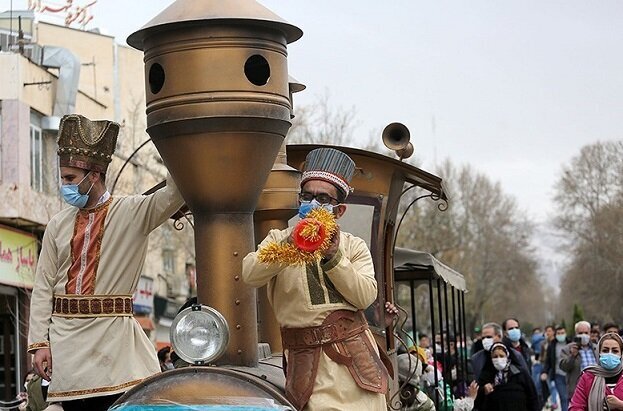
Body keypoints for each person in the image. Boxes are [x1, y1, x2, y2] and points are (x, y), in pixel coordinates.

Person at [27, 114, 184, 411]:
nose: (64, 185)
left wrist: (170, 142)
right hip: (68, 351)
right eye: (63, 178)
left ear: (94, 176)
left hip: (117, 352)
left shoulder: (133, 212)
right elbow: (43, 287)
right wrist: (39, 343)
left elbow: (176, 193)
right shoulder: (57, 225)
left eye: (70, 179)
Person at [242, 147, 390, 410]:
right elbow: (250, 274)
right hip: (305, 365)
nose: (312, 203)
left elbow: (365, 296)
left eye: (322, 198)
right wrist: (290, 245)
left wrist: (333, 257)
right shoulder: (278, 239)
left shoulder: (353, 246)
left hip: (354, 366)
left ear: (339, 210)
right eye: (307, 196)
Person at [475, 342, 539, 411]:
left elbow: (532, 396)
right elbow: (477, 400)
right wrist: (483, 390)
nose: (498, 359)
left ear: (507, 356)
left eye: (501, 356)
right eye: (495, 356)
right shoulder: (486, 375)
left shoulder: (519, 373)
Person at [569, 332, 623, 410]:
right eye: (605, 350)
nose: (610, 354)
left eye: (615, 351)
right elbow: (576, 406)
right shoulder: (588, 377)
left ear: (621, 354)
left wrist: (620, 404)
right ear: (598, 352)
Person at [561, 320, 598, 400]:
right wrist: (572, 356)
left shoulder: (596, 348)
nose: (583, 335)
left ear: (590, 333)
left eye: (586, 333)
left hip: (596, 389)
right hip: (577, 390)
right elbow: (564, 367)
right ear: (576, 334)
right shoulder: (567, 349)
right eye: (580, 333)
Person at [542, 325, 570, 411]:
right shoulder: (552, 345)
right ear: (556, 334)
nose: (560, 335)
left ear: (565, 333)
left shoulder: (571, 343)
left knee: (572, 397)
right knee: (563, 397)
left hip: (571, 376)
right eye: (558, 333)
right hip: (558, 375)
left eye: (562, 333)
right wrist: (545, 372)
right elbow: (548, 361)